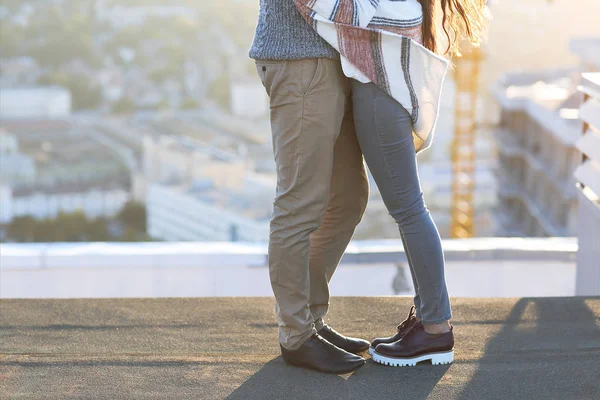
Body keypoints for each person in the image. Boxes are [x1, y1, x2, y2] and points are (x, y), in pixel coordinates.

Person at [294, 0, 488, 367]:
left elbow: (339, 12)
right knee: (410, 210)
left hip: (379, 102)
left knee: (410, 210)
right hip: (382, 99)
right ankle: (430, 320)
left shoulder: (396, 6)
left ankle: (435, 330)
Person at [249, 1, 372, 374]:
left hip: (335, 59)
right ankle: (296, 334)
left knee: (350, 197)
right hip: (299, 58)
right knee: (299, 203)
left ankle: (311, 318)